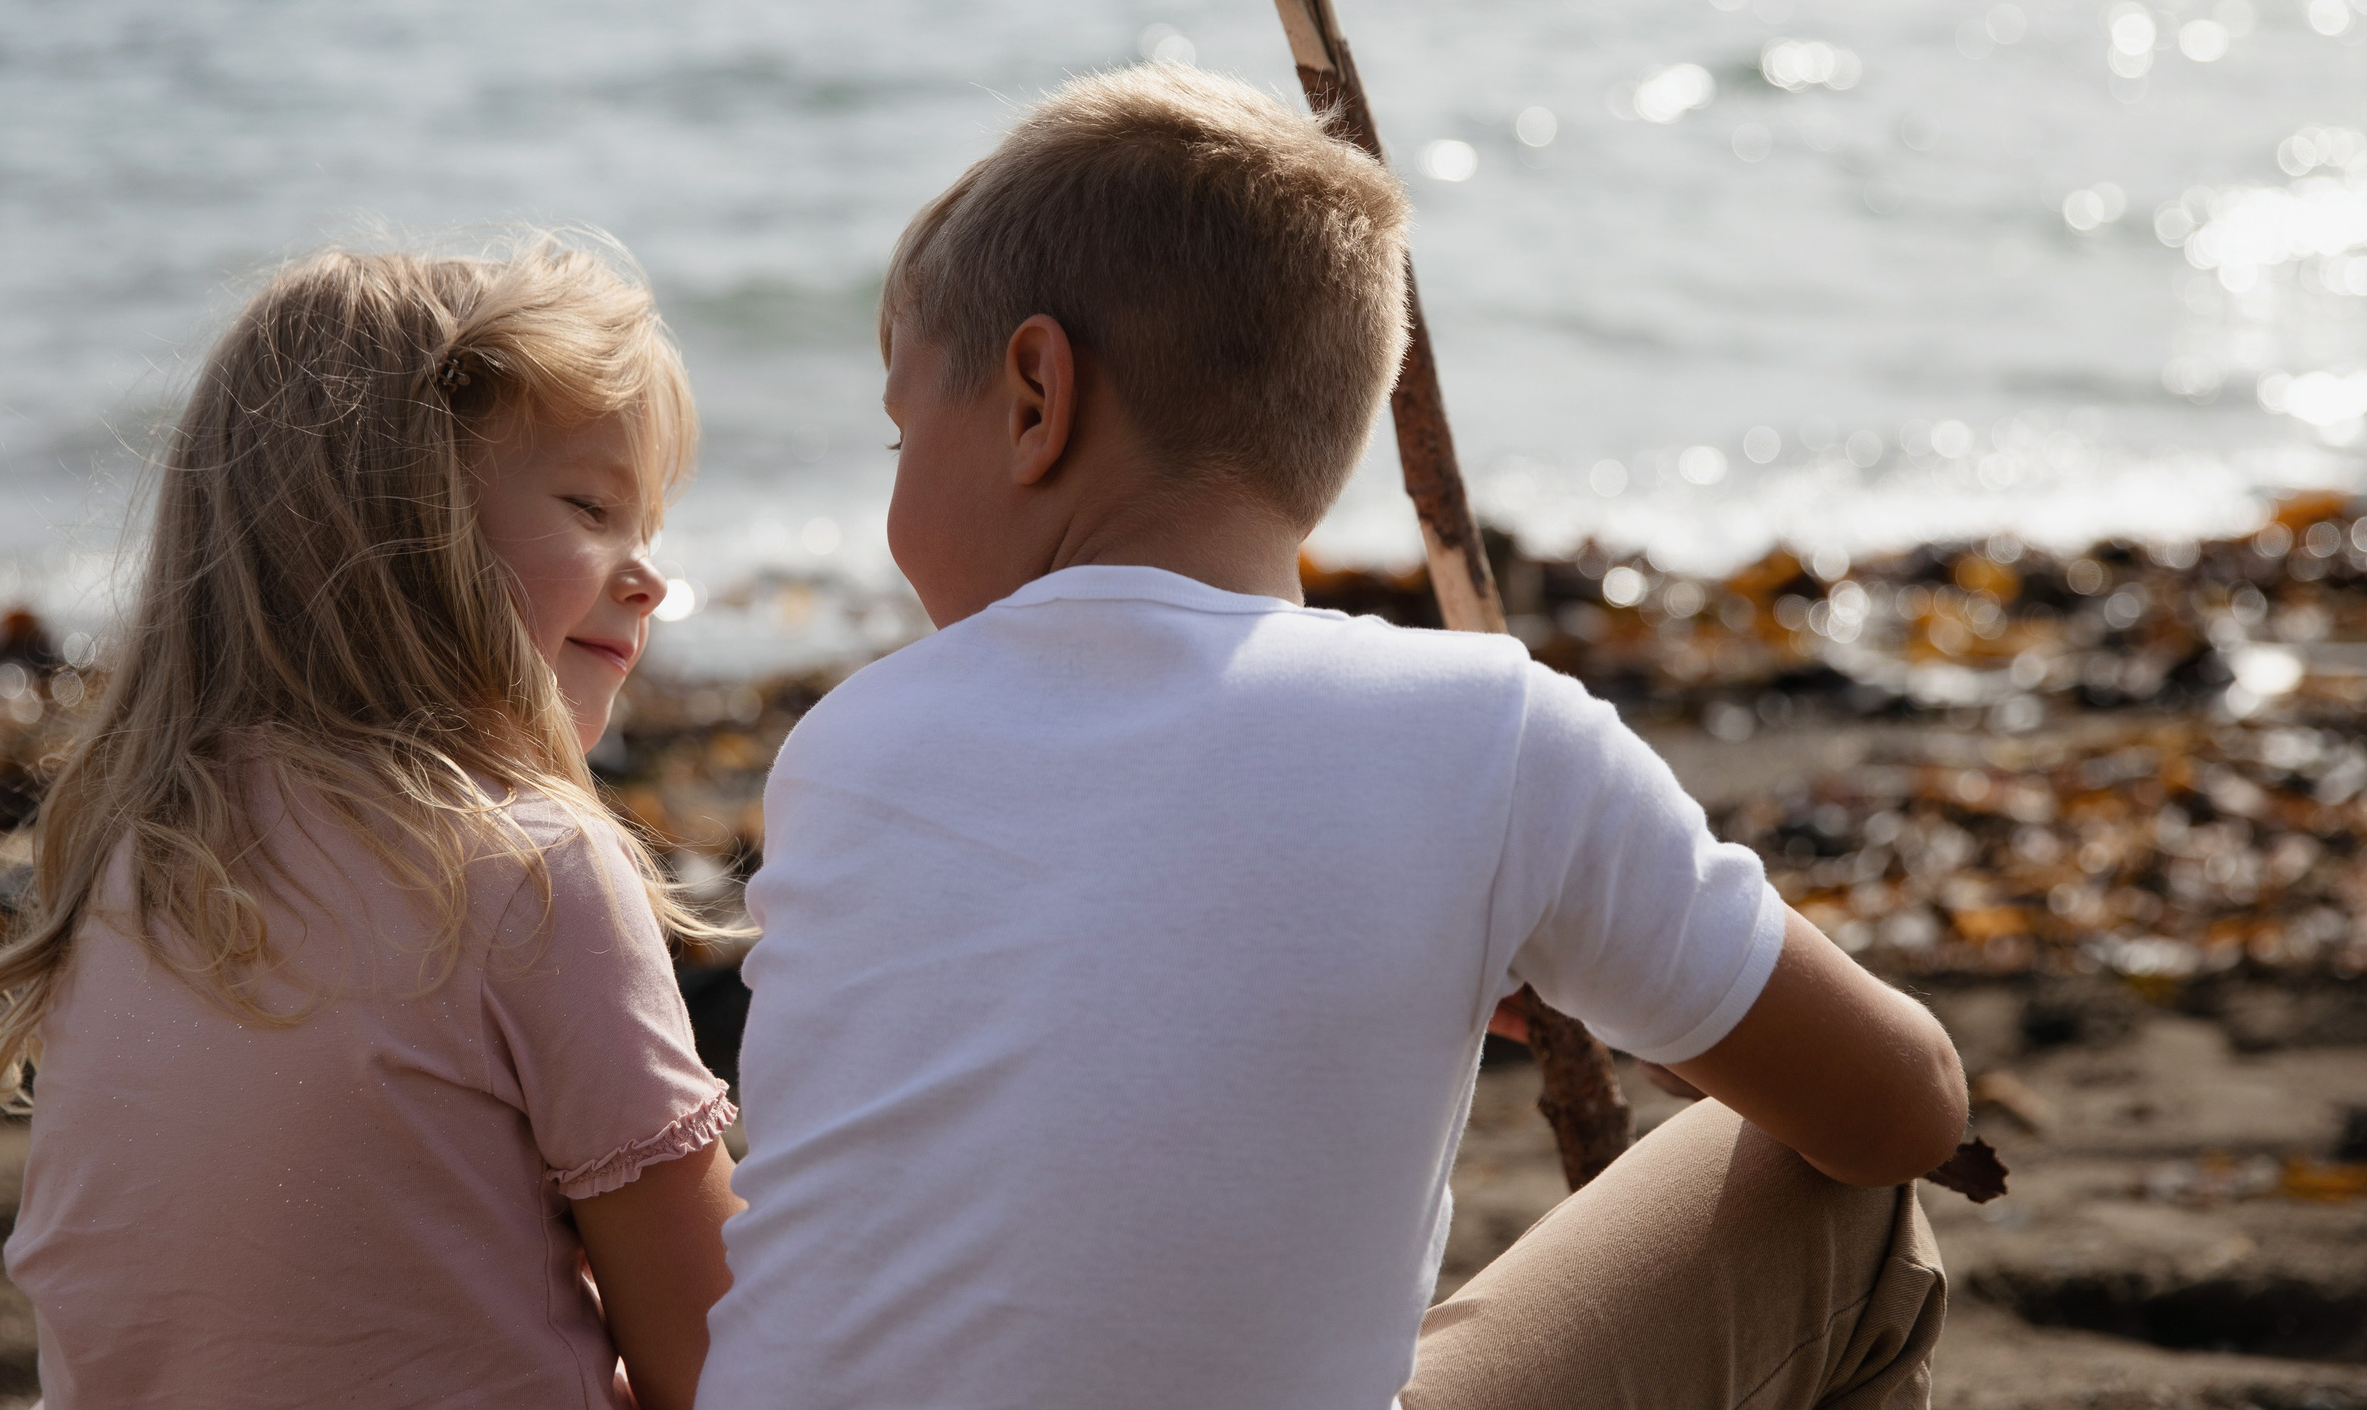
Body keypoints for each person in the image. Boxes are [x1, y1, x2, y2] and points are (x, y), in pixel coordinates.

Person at [699, 68, 1965, 1410]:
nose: (894, 500)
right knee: (1847, 1196)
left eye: (901, 436)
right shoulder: (1482, 734)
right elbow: (1907, 1108)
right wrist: (1633, 993)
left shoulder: (845, 746)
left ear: (1034, 397)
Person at [0, 239, 742, 1410]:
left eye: (649, 524)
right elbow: (720, 1362)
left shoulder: (130, 861)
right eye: (591, 507)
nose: (650, 577)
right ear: (395, 533)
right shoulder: (530, 873)